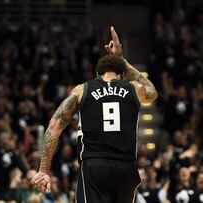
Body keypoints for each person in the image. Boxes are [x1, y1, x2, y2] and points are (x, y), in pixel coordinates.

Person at [31, 26, 158, 203]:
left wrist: (44, 170)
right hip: (126, 168)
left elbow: (54, 127)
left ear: (97, 74)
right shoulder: (133, 89)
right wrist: (123, 61)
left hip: (95, 166)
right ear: (122, 75)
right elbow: (152, 91)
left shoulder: (83, 90)